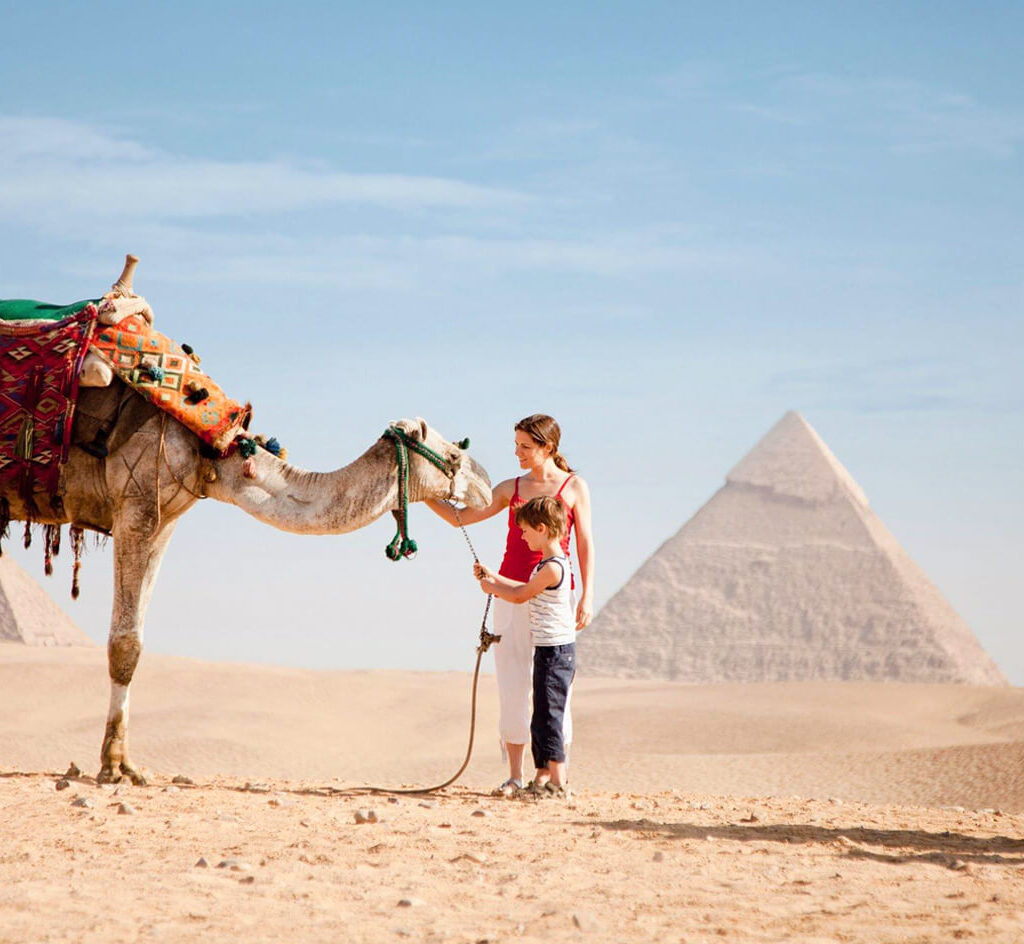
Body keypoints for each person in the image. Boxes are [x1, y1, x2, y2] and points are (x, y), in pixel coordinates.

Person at [425, 414, 594, 795]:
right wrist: (422, 495)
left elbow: (585, 541)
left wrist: (588, 594)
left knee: (553, 690)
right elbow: (460, 518)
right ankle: (516, 775)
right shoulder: (509, 488)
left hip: (553, 596)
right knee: (513, 682)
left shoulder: (574, 487)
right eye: (516, 445)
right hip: (509, 592)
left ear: (548, 447)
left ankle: (552, 775)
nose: (517, 453)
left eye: (525, 446)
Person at [473, 497, 576, 798]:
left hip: (556, 654)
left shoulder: (553, 568)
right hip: (546, 651)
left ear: (542, 529)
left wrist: (492, 588)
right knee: (541, 716)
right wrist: (493, 576)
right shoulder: (547, 565)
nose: (522, 536)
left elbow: (520, 595)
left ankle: (558, 782)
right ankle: (544, 778)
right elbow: (520, 588)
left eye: (526, 531)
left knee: (550, 716)